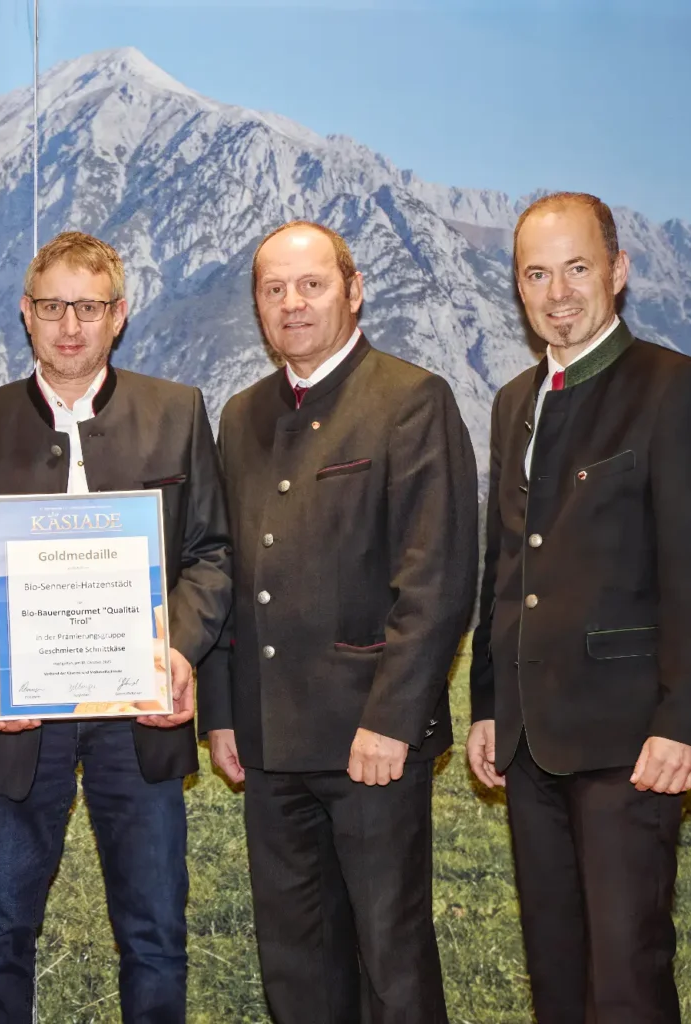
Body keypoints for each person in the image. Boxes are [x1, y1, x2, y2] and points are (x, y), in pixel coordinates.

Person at [0, 230, 231, 1023]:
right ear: (26, 313)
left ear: (119, 315)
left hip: (139, 717)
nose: (70, 326)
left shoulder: (177, 412)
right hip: (20, 718)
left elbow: (211, 554)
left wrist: (177, 650)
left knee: (154, 934)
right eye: (53, 307)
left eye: (89, 307)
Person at [467, 192, 691, 1023]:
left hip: (632, 741)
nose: (557, 293)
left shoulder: (675, 388)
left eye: (577, 268)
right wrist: (486, 706)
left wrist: (686, 723)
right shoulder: (514, 400)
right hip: (527, 740)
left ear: (618, 273)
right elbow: (505, 566)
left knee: (625, 978)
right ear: (518, 287)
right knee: (555, 972)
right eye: (537, 274)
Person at [202, 221, 478, 1023]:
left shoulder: (411, 399)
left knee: (390, 960)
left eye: (312, 285)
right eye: (274, 289)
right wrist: (221, 713)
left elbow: (436, 580)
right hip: (268, 740)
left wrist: (392, 721)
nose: (293, 304)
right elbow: (223, 571)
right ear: (257, 305)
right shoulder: (241, 415)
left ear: (353, 291)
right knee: (293, 963)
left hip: (371, 743)